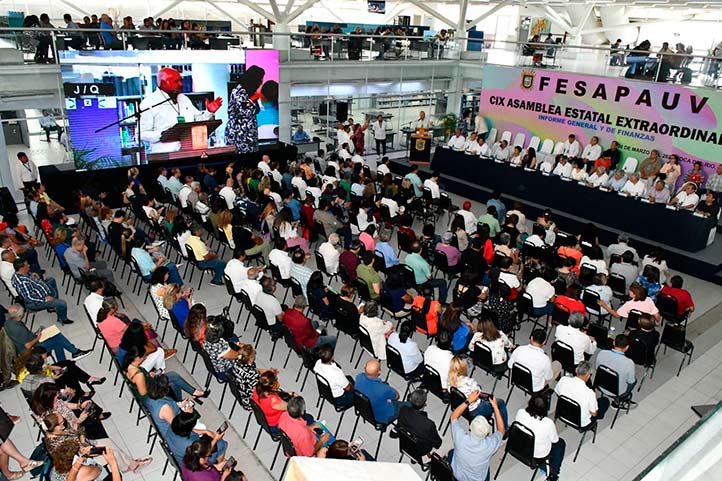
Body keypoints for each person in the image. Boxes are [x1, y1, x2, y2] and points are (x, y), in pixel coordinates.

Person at [139, 68, 222, 154]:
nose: (181, 84)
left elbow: (198, 122)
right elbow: (141, 134)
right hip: (165, 156)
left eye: (181, 80)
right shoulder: (149, 103)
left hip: (191, 153)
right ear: (163, 83)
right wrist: (163, 134)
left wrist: (209, 112)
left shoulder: (184, 99)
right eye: (176, 81)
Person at [448, 390, 505, 481]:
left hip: (456, 474)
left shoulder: (460, 438)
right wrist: (495, 407)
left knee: (452, 452)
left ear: (470, 427)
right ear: (487, 433)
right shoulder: (490, 445)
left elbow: (453, 416)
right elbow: (501, 431)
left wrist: (468, 400)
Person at [4, 304, 90, 362]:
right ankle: (75, 352)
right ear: (20, 315)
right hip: (32, 349)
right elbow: (28, 346)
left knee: (56, 338)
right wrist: (37, 337)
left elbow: (23, 337)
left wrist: (35, 335)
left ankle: (63, 363)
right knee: (57, 338)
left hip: (29, 341)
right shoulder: (17, 328)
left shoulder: (8, 323)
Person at [514, 396, 566, 481]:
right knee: (560, 443)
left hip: (521, 447)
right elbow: (555, 440)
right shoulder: (548, 423)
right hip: (538, 455)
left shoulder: (520, 412)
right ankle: (553, 474)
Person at [12, 259, 73, 324]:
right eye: (27, 265)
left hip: (38, 290)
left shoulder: (20, 273)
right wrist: (45, 299)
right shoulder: (22, 283)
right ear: (21, 268)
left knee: (51, 280)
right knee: (62, 303)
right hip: (36, 302)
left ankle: (52, 306)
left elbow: (28, 278)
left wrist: (32, 274)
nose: (29, 265)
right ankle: (62, 318)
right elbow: (30, 297)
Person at [225, 65, 265, 154]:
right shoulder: (239, 91)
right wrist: (252, 99)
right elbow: (244, 111)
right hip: (239, 136)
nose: (261, 82)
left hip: (249, 135)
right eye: (260, 79)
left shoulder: (250, 91)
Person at [555, 361, 609, 426]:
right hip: (580, 422)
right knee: (604, 401)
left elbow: (558, 394)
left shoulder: (563, 380)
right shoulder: (589, 393)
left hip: (562, 413)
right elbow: (594, 413)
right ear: (588, 376)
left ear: (576, 370)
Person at [508, 329, 560, 393]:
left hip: (517, 380)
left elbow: (510, 365)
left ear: (531, 338)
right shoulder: (545, 359)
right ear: (544, 342)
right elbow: (548, 377)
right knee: (557, 364)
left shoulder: (519, 349)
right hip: (534, 387)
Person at [354, 359, 405, 423]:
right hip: (381, 416)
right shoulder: (384, 389)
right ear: (379, 372)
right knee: (407, 405)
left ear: (364, 368)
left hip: (365, 410)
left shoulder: (359, 377)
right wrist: (388, 389)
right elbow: (397, 396)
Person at [397, 389, 441, 458]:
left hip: (405, 442)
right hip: (420, 449)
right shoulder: (429, 424)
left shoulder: (403, 409)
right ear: (424, 403)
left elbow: (399, 425)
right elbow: (437, 443)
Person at [595, 334, 636, 403]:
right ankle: (622, 399)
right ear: (627, 347)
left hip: (600, 385)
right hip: (617, 392)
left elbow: (597, 368)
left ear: (613, 342)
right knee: (634, 381)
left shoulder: (602, 353)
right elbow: (630, 382)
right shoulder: (629, 363)